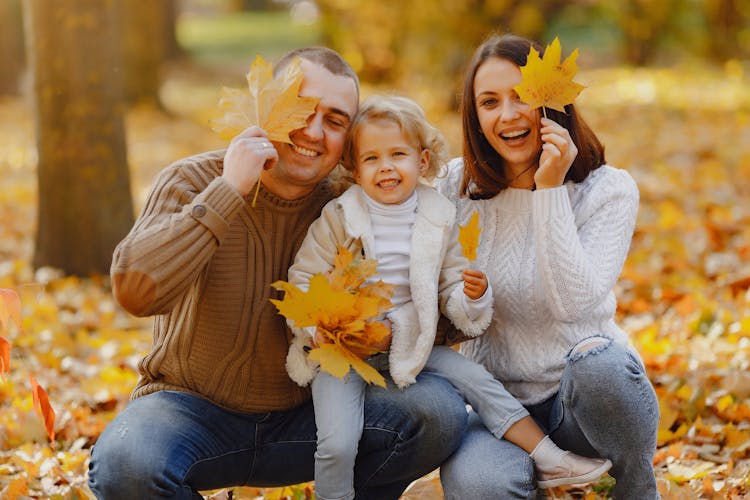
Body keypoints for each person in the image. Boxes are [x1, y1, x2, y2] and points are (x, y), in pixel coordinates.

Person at [87, 47, 471, 500]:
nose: (313, 131)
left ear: (348, 139)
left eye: (334, 120)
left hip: (313, 416)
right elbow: (135, 291)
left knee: (439, 413)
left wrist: (385, 332)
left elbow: (439, 307)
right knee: (125, 465)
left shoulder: (356, 206)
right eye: (301, 108)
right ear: (269, 105)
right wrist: (230, 190)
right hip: (188, 412)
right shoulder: (195, 181)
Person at [284, 94, 613, 500]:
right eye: (371, 159)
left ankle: (549, 456)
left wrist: (471, 296)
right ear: (354, 168)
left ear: (421, 161)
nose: (386, 166)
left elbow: (450, 286)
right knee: (336, 442)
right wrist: (313, 325)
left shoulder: (436, 215)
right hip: (341, 350)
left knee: (479, 380)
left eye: (397, 154)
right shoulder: (339, 217)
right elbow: (303, 278)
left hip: (411, 342)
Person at [435, 33, 660, 499]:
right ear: (474, 117)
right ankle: (535, 481)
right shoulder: (456, 186)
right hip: (498, 409)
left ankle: (637, 490)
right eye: (489, 102)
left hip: (581, 402)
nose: (507, 115)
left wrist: (550, 189)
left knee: (604, 366)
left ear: (552, 101)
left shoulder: (607, 191)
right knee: (479, 485)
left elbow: (572, 306)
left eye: (521, 96)